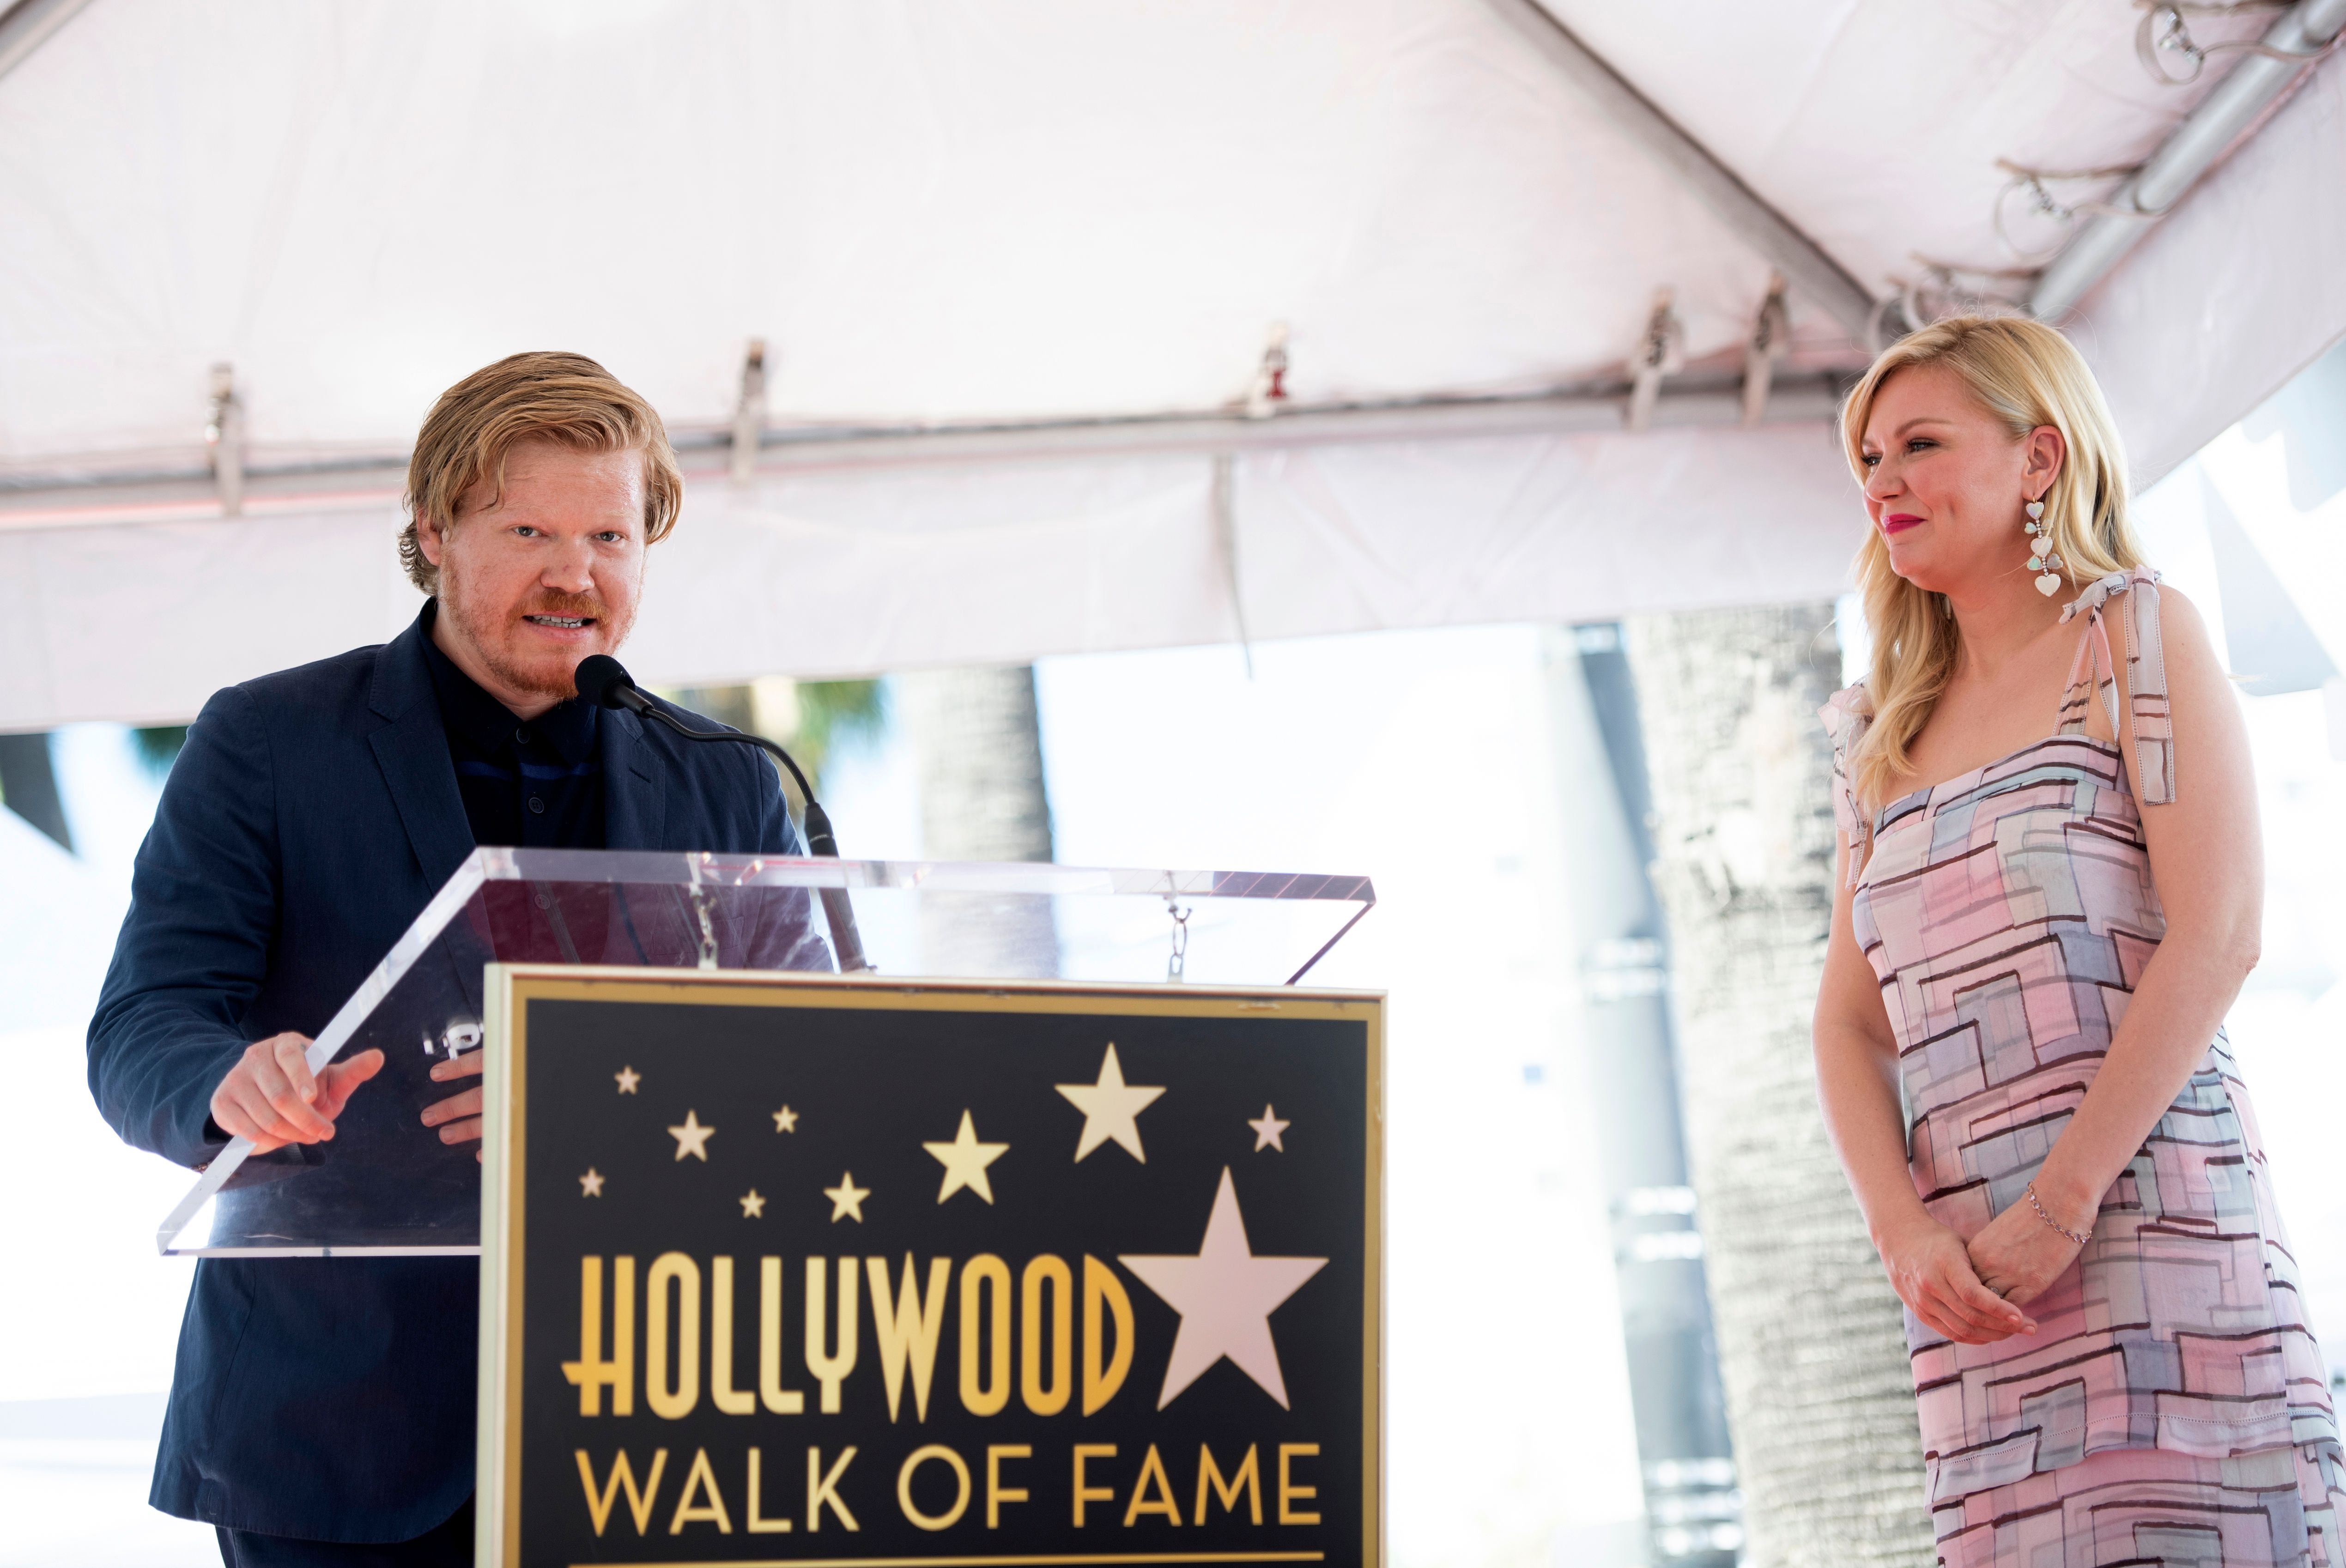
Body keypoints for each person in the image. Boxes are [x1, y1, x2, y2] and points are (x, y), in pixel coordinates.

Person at [87, 351, 827, 1564]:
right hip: (335, 1429)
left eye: (611, 535)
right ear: (434, 531)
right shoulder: (269, 742)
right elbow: (144, 1023)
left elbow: (814, 1069)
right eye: (529, 526)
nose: (574, 573)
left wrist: (630, 1096)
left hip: (657, 1433)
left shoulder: (730, 780)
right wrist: (230, 1083)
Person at [1813, 315, 2346, 1567]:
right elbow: (1846, 1024)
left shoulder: (2135, 635)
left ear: (2041, 457)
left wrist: (2064, 1199)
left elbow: (2219, 933)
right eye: (1870, 458)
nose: (1882, 482)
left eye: (1920, 443)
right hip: (1976, 1302)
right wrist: (1906, 1236)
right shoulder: (1873, 736)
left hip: (2157, 1240)